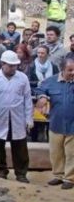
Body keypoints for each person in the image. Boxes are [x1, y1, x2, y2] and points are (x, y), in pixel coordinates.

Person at [0, 50, 34, 183]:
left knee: (20, 147)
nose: (13, 68)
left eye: (15, 65)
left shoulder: (22, 78)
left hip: (17, 118)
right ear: (3, 64)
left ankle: (21, 173)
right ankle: (2, 170)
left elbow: (27, 99)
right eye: (10, 66)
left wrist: (29, 118)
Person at [35, 57, 74, 190]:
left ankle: (69, 178)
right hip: (56, 123)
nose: (73, 72)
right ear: (62, 69)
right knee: (56, 152)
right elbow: (39, 90)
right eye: (70, 70)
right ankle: (58, 176)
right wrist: (42, 97)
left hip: (73, 125)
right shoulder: (51, 81)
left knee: (71, 153)